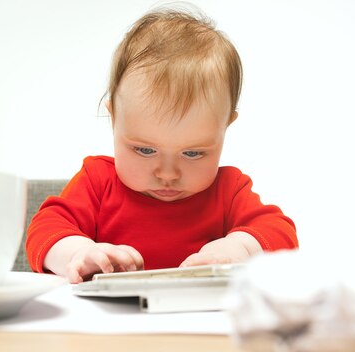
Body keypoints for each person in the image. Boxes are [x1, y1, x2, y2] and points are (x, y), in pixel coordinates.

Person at [26, 6, 298, 284]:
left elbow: (282, 235)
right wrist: (78, 254)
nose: (167, 174)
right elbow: (44, 230)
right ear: (114, 119)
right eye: (145, 150)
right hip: (112, 321)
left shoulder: (228, 191)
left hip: (200, 321)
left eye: (193, 153)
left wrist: (240, 247)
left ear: (226, 126)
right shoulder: (97, 182)